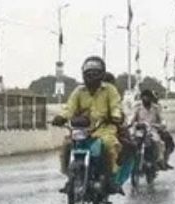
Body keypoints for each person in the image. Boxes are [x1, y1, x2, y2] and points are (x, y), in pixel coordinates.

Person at [52, 56, 124, 194]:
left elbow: (116, 105)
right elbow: (69, 108)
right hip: (82, 130)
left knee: (109, 144)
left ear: (101, 74)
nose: (91, 77)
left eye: (95, 74)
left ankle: (110, 179)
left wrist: (115, 116)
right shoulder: (78, 91)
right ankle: (70, 178)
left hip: (104, 128)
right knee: (67, 145)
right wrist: (61, 117)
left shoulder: (109, 90)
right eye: (88, 74)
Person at [130, 89, 170, 169]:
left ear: (151, 99)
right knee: (131, 142)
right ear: (141, 98)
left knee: (157, 142)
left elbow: (162, 118)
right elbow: (132, 118)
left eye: (148, 97)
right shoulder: (137, 107)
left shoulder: (156, 108)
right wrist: (131, 123)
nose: (146, 99)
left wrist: (162, 124)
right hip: (139, 130)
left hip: (152, 130)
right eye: (144, 97)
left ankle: (159, 160)